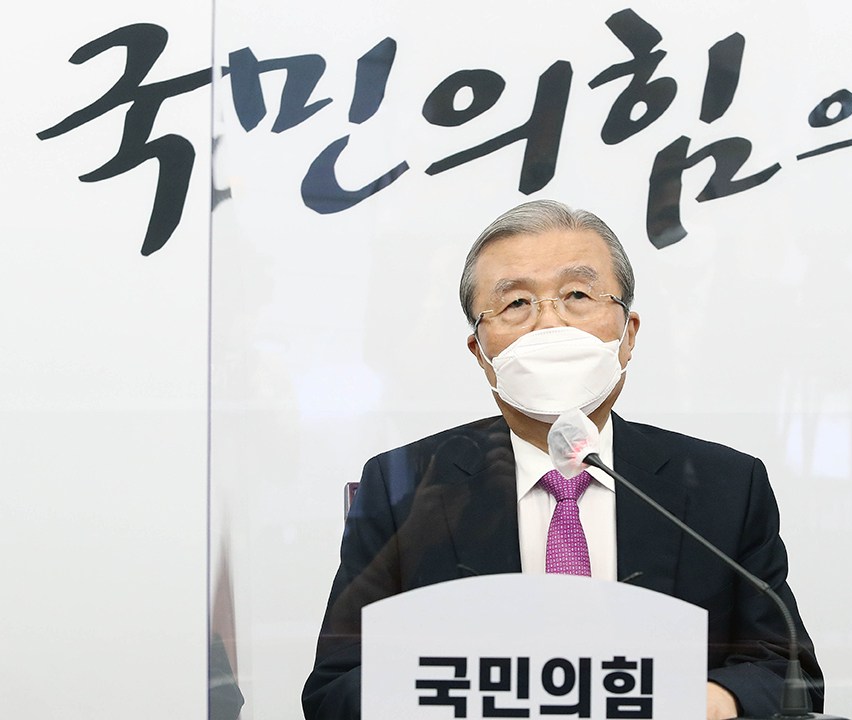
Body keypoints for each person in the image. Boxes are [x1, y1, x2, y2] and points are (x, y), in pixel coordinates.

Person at [302, 200, 823, 720]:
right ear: (480, 352)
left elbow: (786, 672)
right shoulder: (405, 486)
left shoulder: (725, 486)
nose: (549, 323)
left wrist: (710, 702)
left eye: (577, 295)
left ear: (628, 335)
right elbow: (336, 688)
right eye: (516, 303)